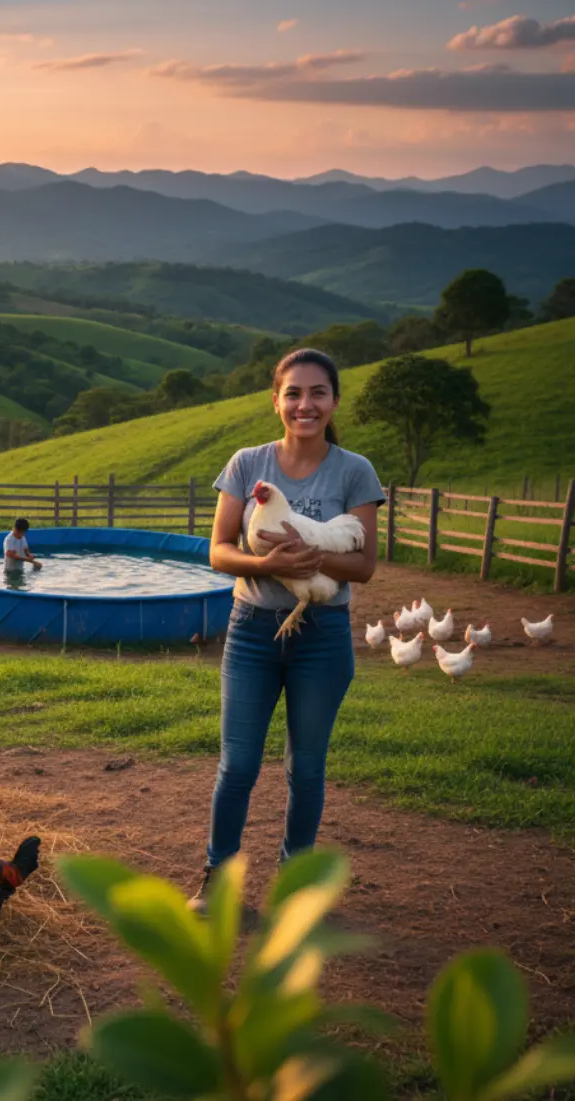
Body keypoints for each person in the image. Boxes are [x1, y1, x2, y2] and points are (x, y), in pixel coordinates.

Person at [189, 348, 385, 912]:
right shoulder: (248, 463)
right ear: (276, 401)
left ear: (334, 401)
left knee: (307, 767)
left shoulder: (355, 471)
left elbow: (365, 566)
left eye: (317, 393)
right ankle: (218, 879)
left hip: (321, 635)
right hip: (251, 629)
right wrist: (269, 566)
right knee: (239, 764)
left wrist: (309, 559)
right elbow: (219, 550)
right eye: (293, 393)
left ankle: (295, 885)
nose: (305, 404)